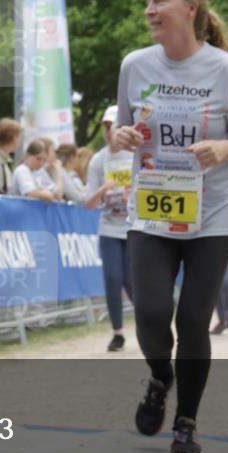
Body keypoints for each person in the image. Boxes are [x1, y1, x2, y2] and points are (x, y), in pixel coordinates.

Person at [113, 0, 228, 453]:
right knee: (153, 313)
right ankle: (161, 377)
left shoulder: (227, 69)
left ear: (190, 8)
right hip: (154, 210)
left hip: (212, 212)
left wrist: (222, 150)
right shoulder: (135, 65)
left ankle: (186, 422)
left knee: (194, 318)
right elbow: (119, 130)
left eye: (158, 1)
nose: (149, 9)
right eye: (148, 0)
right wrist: (121, 137)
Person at [85, 105, 135, 351]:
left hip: (135, 229)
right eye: (105, 127)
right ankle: (118, 333)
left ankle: (151, 324)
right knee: (113, 278)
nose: (107, 132)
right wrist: (103, 189)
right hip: (109, 229)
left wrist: (132, 198)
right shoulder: (98, 160)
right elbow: (88, 203)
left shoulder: (136, 155)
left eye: (111, 126)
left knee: (133, 282)